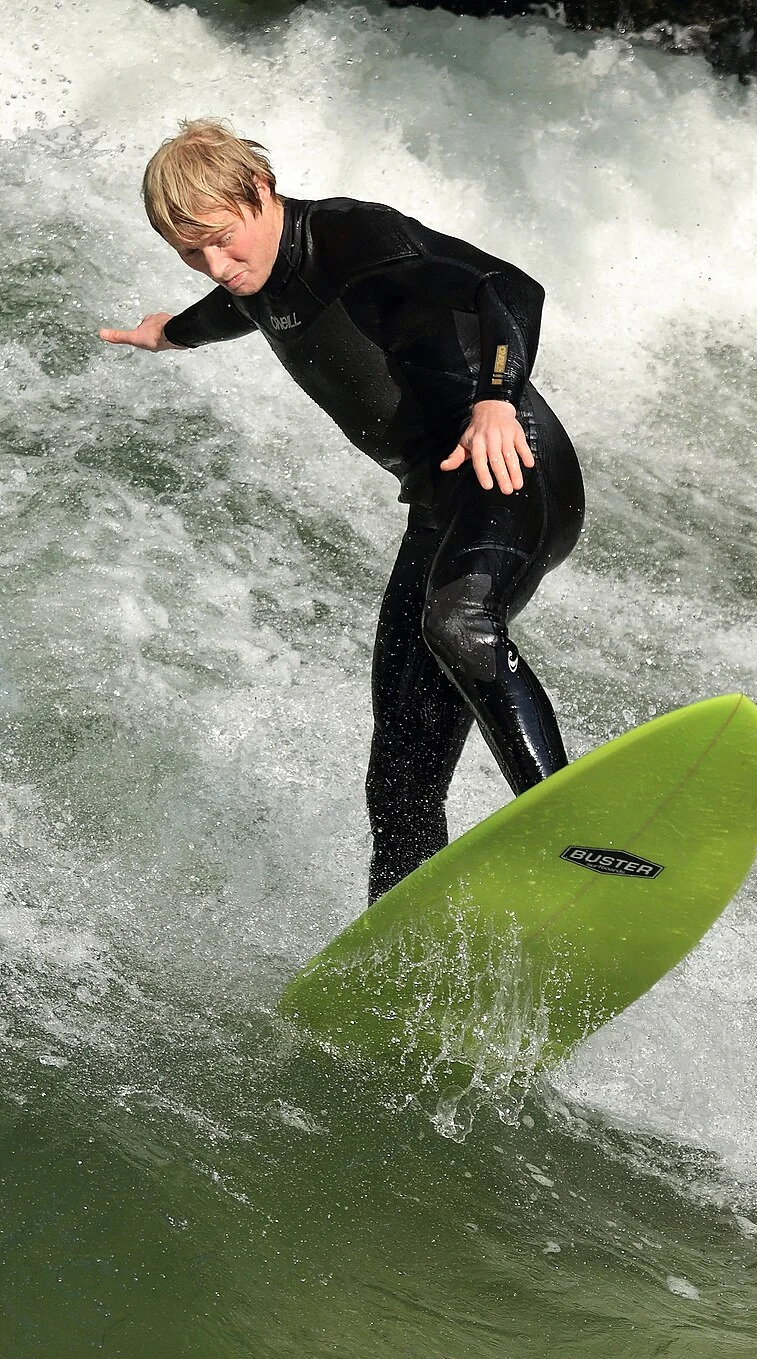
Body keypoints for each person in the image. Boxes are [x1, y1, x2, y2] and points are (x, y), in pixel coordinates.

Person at [101, 119, 584, 903]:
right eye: (191, 254)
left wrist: (497, 398)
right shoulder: (257, 276)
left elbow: (510, 287)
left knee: (460, 621)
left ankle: (574, 823)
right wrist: (173, 334)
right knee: (398, 776)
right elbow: (241, 308)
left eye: (221, 240)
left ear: (262, 191)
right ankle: (408, 942)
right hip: (440, 505)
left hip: (514, 467)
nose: (216, 265)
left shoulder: (354, 238)